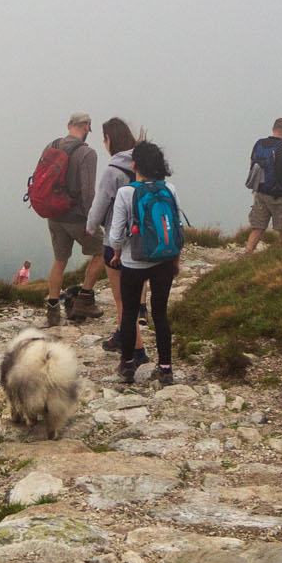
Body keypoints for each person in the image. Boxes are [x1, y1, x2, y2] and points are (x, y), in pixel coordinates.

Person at [107, 139, 181, 386]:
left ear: (134, 164)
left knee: (129, 313)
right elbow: (176, 228)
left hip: (134, 262)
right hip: (164, 260)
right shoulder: (169, 189)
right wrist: (175, 260)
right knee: (160, 314)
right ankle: (166, 368)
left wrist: (117, 253)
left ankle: (127, 366)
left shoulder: (126, 193)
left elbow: (116, 234)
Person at [85, 117, 141, 358]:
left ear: (110, 140)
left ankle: (135, 353)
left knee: (121, 301)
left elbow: (100, 205)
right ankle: (121, 333)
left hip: (116, 241)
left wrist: (90, 227)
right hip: (143, 241)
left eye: (104, 138)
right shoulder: (144, 164)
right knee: (133, 297)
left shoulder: (113, 171)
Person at [41, 113, 105, 326]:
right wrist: (93, 220)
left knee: (60, 261)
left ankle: (52, 310)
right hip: (77, 216)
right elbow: (88, 192)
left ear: (69, 125)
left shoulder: (52, 145)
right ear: (87, 127)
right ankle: (84, 299)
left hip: (54, 215)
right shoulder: (88, 154)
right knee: (102, 251)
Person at [243, 117, 282, 255]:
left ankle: (247, 254)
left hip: (260, 193)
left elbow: (252, 167)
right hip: (278, 196)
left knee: (258, 227)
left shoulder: (259, 143)